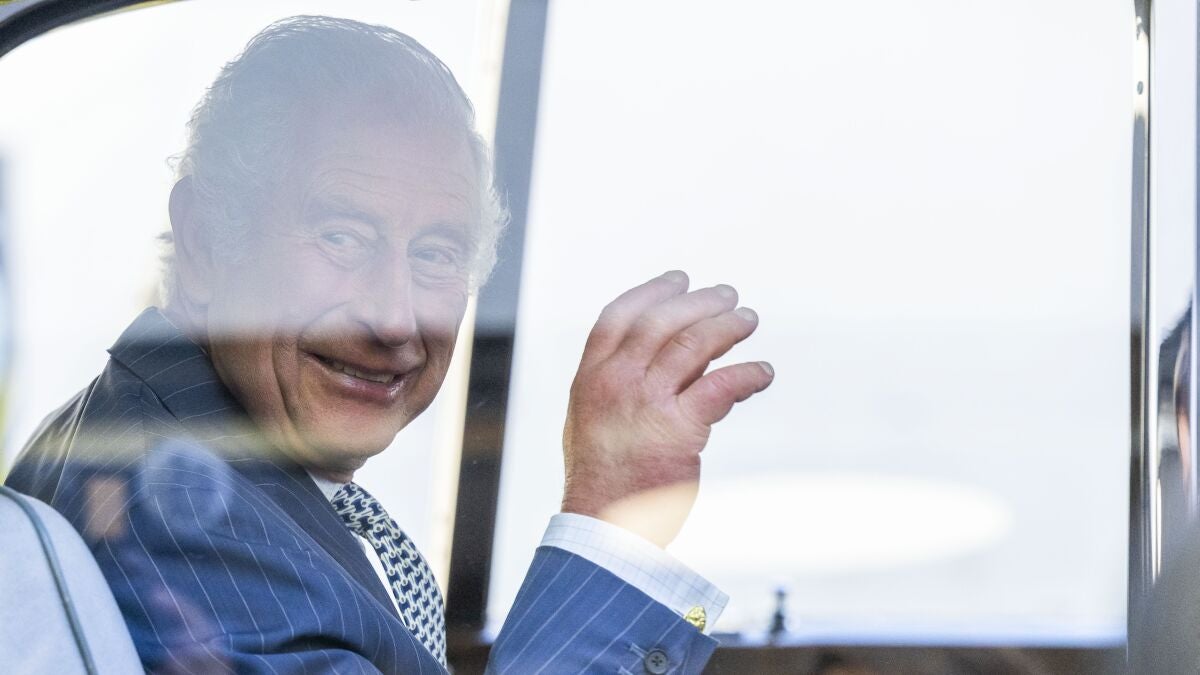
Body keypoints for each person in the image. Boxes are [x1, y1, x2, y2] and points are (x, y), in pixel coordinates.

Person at [5, 15, 773, 673]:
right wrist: (612, 523)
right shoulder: (187, 518)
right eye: (343, 237)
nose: (397, 318)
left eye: (436, 253)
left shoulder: (151, 437)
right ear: (206, 240)